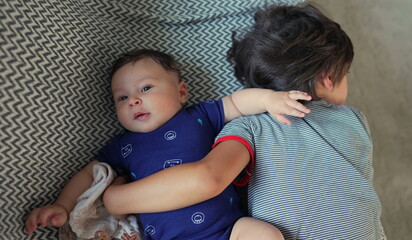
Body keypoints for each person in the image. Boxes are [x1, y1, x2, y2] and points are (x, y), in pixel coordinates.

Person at [99, 3, 387, 240]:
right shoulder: (355, 120)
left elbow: (208, 177)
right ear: (328, 76)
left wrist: (117, 198)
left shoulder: (250, 126)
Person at [25, 48, 312, 239]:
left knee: (266, 235)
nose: (134, 100)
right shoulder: (123, 145)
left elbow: (237, 102)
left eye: (146, 88)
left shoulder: (199, 116)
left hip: (228, 230)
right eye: (122, 98)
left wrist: (268, 99)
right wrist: (63, 204)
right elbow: (89, 173)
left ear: (182, 91)